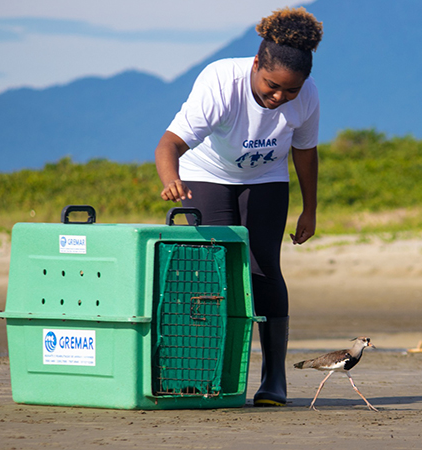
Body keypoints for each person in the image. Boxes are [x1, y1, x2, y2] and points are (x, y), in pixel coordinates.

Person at [154, 7, 322, 407]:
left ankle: (274, 380)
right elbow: (169, 144)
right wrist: (170, 179)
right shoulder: (220, 82)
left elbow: (306, 152)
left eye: (291, 91)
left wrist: (310, 209)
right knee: (213, 273)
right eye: (271, 86)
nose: (279, 97)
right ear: (255, 65)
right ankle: (203, 373)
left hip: (265, 178)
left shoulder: (308, 94)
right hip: (205, 174)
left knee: (264, 270)